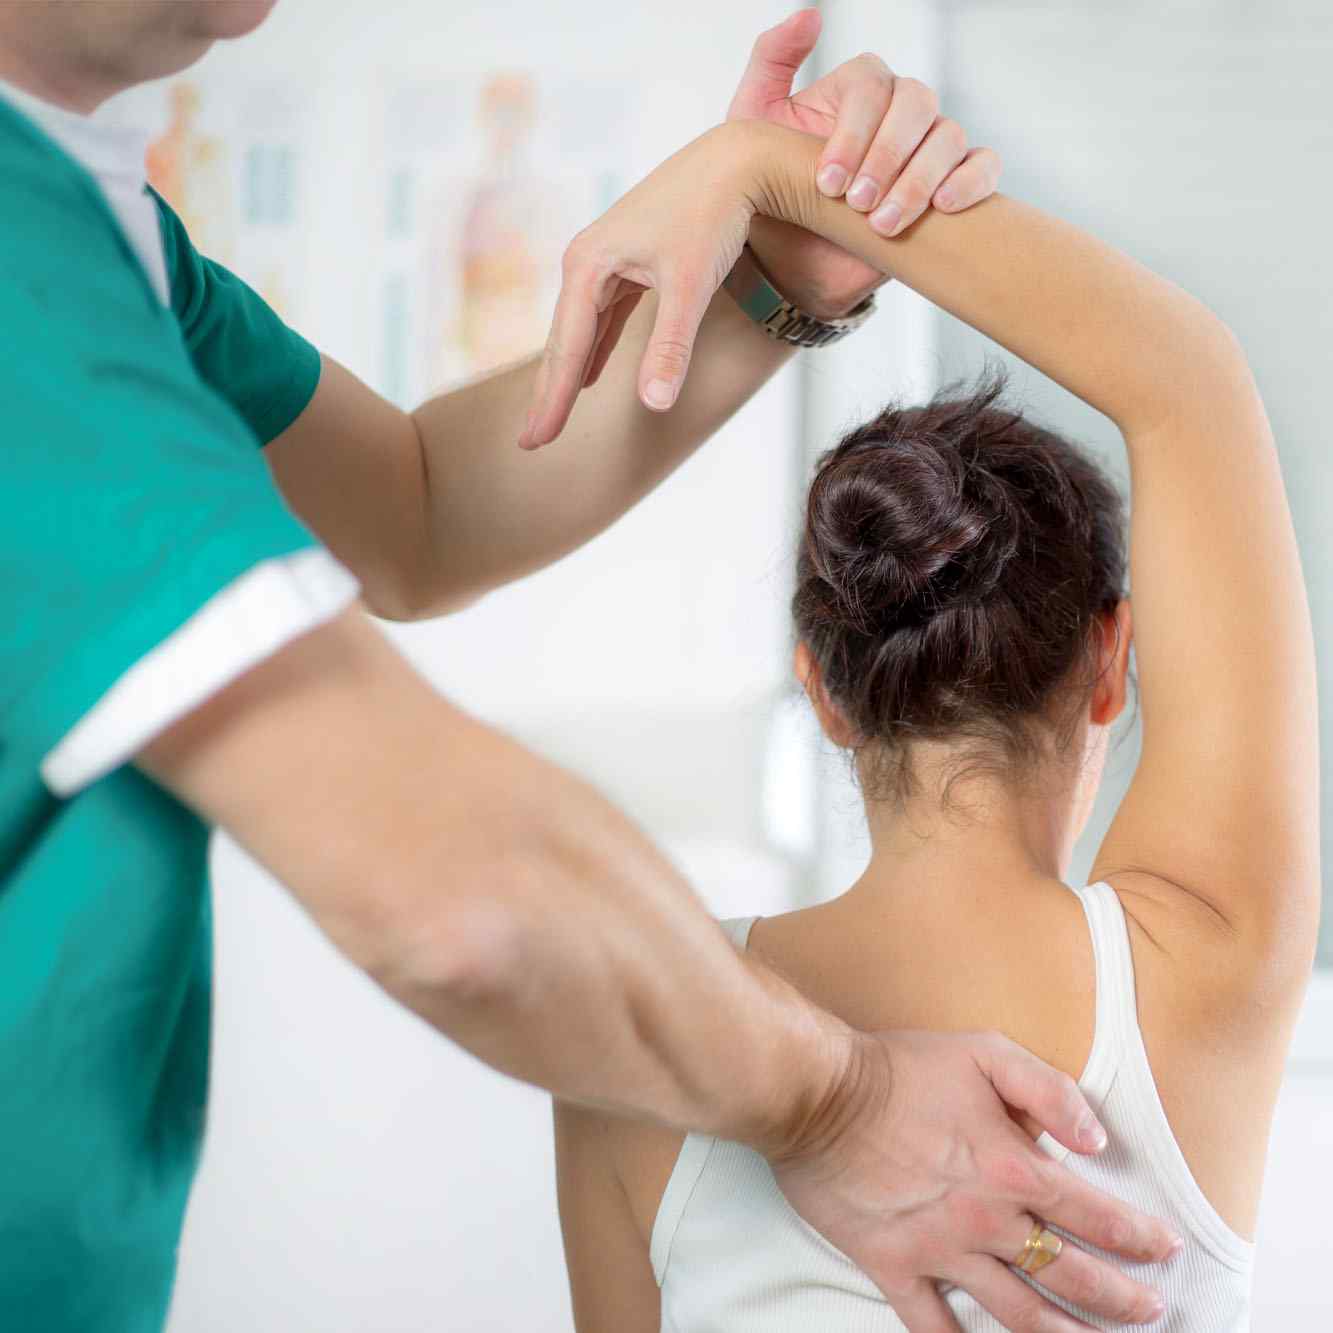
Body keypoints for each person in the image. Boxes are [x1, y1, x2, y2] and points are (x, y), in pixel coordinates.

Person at [0, 4, 1181, 1330]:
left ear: (821, 681)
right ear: (1110, 655)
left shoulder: (110, 243)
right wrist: (838, 1103)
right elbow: (453, 896)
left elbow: (415, 507)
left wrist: (773, 267)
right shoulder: (16, 259)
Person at [551, 103, 1319, 1332]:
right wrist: (773, 171)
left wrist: (776, 175)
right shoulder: (1202, 962)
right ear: (1110, 659)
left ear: (823, 690)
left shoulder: (642, 1051)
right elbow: (1189, 379)